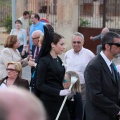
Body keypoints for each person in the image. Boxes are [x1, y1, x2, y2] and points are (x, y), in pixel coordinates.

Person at [36, 25, 71, 120]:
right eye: (61, 44)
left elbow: (57, 79)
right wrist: (59, 92)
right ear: (52, 45)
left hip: (59, 99)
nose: (64, 47)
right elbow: (39, 84)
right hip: (48, 101)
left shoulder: (58, 59)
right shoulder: (44, 61)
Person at [84, 31, 120, 120]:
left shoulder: (111, 64)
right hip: (98, 115)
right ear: (107, 46)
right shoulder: (94, 66)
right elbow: (95, 95)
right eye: (118, 45)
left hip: (110, 115)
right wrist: (117, 110)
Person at [64, 32, 95, 102]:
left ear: (83, 42)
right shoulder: (67, 54)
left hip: (83, 87)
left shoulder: (89, 55)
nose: (76, 44)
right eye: (74, 42)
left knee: (81, 107)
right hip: (69, 86)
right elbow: (65, 68)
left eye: (78, 42)